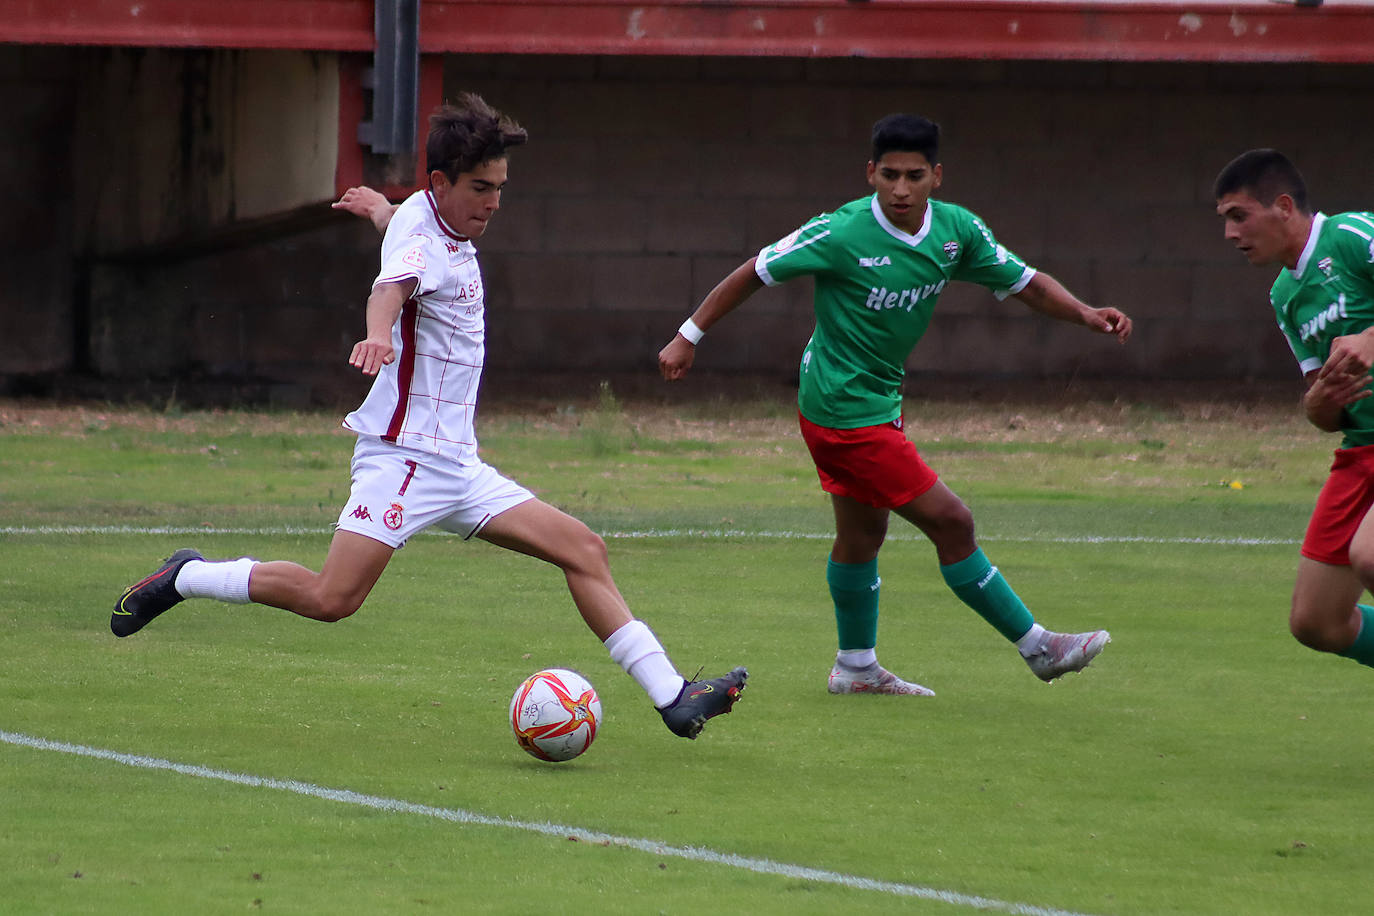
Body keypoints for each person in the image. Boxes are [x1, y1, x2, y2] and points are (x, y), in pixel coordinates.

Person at [112, 93, 746, 740]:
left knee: (584, 549)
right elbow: (392, 286)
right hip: (405, 461)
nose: (493, 202)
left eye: (499, 188)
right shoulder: (424, 241)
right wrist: (378, 334)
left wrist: (380, 210)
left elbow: (407, 226)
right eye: (480, 188)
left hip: (457, 465)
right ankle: (186, 577)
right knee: (334, 599)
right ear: (440, 183)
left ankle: (674, 698)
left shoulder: (424, 213)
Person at [658, 114, 1131, 695]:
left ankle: (855, 667)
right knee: (953, 521)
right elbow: (754, 271)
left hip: (877, 401)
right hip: (840, 410)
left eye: (913, 176)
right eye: (888, 176)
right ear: (870, 174)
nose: (901, 190)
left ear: (937, 176)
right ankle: (1039, 647)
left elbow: (1026, 282)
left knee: (862, 537)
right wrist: (689, 335)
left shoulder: (957, 232)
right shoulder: (839, 232)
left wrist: (1084, 312)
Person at [1214, 148, 1374, 669]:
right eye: (1225, 221)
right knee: (1316, 620)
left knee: (1370, 557)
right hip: (1361, 450)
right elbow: (1320, 408)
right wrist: (1318, 406)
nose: (1230, 234)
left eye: (1240, 216)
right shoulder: (1285, 294)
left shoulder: (1351, 237)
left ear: (1283, 206)